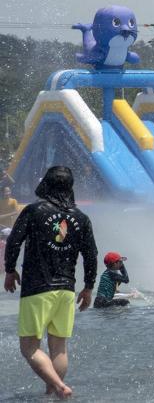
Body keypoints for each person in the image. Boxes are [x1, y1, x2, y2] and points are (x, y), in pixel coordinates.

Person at [3, 166, 98, 399]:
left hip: (37, 288)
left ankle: (59, 386)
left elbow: (14, 241)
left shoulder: (34, 211)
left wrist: (10, 270)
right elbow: (91, 254)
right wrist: (87, 287)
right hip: (66, 289)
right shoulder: (81, 218)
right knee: (59, 347)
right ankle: (52, 394)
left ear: (47, 183)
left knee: (29, 348)